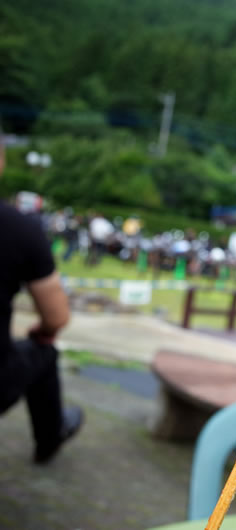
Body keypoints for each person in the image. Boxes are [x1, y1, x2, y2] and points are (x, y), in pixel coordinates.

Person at [0, 130, 83, 463]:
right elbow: (57, 318)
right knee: (44, 352)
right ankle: (49, 439)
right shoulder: (18, 228)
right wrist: (44, 332)